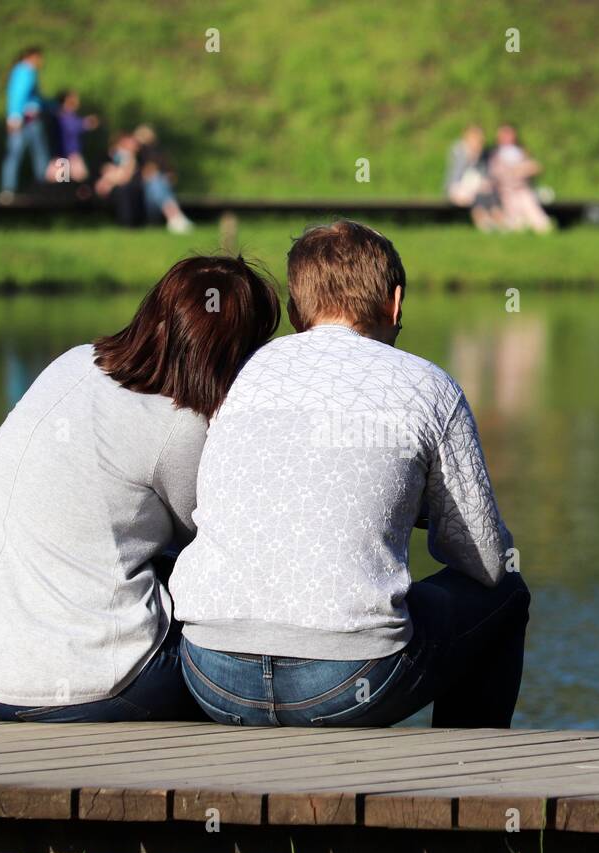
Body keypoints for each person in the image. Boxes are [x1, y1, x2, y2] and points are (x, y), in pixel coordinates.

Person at [170, 220, 531, 729]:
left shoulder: (242, 375)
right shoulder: (430, 386)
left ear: (296, 309)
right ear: (396, 302)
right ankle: (464, 775)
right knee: (507, 595)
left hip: (212, 674)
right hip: (344, 683)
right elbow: (487, 563)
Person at [0, 256, 281, 721]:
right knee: (231, 663)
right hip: (81, 689)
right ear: (235, 351)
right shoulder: (182, 426)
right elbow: (215, 543)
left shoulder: (74, 363)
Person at [0, 47, 50, 202]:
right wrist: (14, 117)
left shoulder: (21, 71)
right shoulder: (25, 71)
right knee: (36, 155)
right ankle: (41, 188)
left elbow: (35, 98)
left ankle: (8, 190)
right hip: (26, 120)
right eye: (39, 58)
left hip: (26, 119)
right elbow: (18, 95)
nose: (41, 62)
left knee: (21, 154)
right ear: (30, 57)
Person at [488, 125, 553, 233]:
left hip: (523, 191)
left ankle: (539, 226)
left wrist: (521, 170)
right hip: (506, 193)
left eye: (509, 134)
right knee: (516, 220)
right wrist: (518, 171)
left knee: (534, 213)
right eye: (504, 134)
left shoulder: (521, 152)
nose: (507, 137)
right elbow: (498, 175)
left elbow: (535, 167)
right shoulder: (495, 154)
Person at [136, 126, 194, 234]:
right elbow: (142, 174)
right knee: (156, 183)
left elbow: (171, 174)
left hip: (160, 188)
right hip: (145, 190)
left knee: (157, 183)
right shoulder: (137, 154)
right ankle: (175, 216)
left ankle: (174, 218)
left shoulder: (160, 153)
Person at [444, 124, 500, 230]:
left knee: (486, 191)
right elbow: (457, 173)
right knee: (479, 195)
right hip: (458, 186)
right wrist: (471, 155)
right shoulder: (458, 150)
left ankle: (493, 219)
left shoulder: (482, 151)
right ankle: (483, 221)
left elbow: (484, 172)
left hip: (475, 186)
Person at [51, 90, 99, 183]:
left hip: (67, 155)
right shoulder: (63, 116)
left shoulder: (68, 116)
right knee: (75, 182)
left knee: (66, 183)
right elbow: (72, 127)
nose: (77, 102)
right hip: (67, 156)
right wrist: (86, 123)